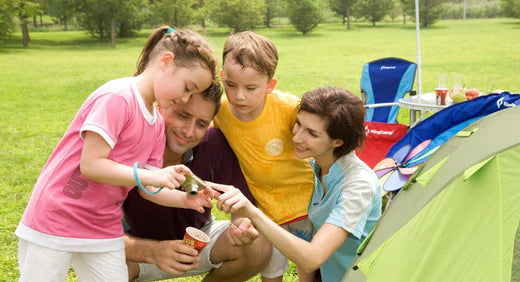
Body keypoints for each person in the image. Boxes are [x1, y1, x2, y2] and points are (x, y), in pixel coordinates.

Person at [15, 26, 218, 281]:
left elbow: (149, 188)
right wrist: (149, 177)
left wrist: (184, 200)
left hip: (102, 226)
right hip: (56, 217)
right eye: (187, 87)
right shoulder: (118, 97)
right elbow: (91, 165)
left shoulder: (156, 123)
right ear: (166, 62)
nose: (186, 98)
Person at [213, 86, 382, 282]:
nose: (296, 137)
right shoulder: (314, 168)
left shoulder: (359, 185)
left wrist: (252, 212)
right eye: (298, 124)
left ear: (337, 142)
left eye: (311, 133)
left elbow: (312, 258)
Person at [123, 80, 272, 281]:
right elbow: (90, 230)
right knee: (104, 269)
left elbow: (240, 204)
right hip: (133, 251)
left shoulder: (212, 142)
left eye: (201, 123)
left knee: (258, 245)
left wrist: (241, 226)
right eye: (182, 115)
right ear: (162, 105)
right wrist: (152, 251)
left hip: (194, 242)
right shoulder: (130, 141)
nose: (189, 131)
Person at [213, 31, 315, 281]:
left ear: (270, 85)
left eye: (251, 88)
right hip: (265, 211)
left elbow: (318, 139)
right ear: (222, 76)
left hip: (306, 205)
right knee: (271, 272)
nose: (239, 96)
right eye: (232, 84)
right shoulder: (221, 113)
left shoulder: (290, 108)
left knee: (309, 267)